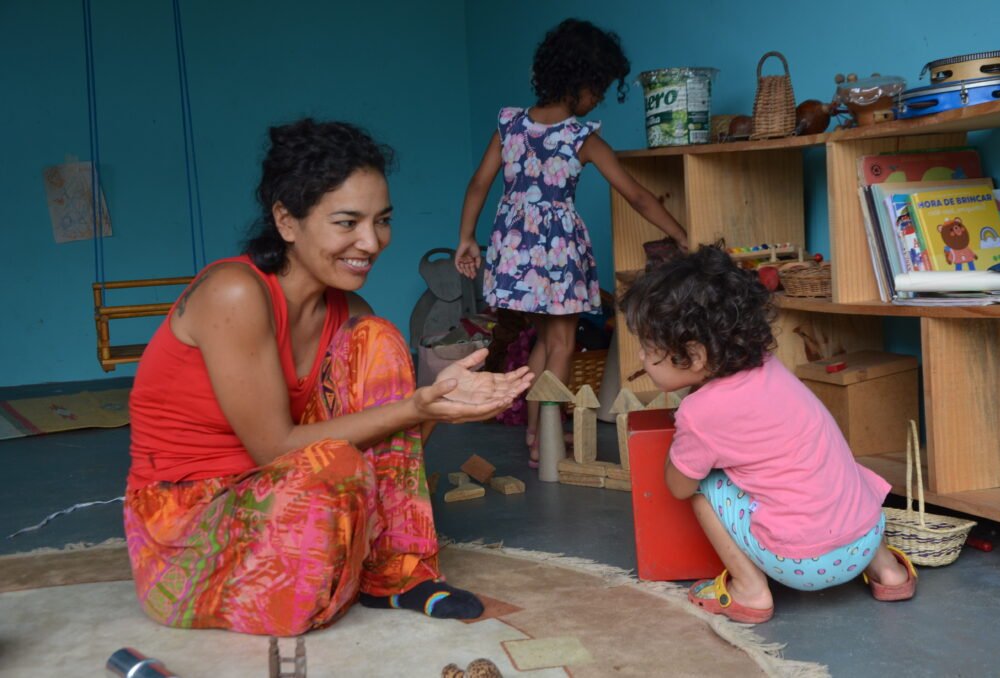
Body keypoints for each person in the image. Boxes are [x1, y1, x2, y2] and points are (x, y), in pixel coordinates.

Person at [125, 119, 533, 636]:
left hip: (283, 494)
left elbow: (389, 452)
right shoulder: (234, 292)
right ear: (286, 221)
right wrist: (415, 406)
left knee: (378, 340)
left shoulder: (349, 312)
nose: (371, 241)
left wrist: (439, 404)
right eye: (347, 222)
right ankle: (336, 573)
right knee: (334, 469)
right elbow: (275, 448)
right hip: (187, 529)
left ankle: (394, 574)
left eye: (382, 221)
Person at [618, 245, 917, 624]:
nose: (642, 358)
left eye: (648, 349)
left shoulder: (700, 414)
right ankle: (889, 572)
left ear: (695, 355)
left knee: (702, 487)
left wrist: (682, 443)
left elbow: (678, 486)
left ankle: (750, 591)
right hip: (866, 535)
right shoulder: (768, 366)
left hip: (803, 565)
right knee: (827, 462)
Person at [454, 18, 688, 467]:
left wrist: (466, 238)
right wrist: (680, 235)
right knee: (562, 344)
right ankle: (544, 441)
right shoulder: (581, 138)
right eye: (598, 88)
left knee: (545, 341)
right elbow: (637, 195)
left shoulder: (510, 125)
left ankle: (534, 434)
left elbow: (479, 184)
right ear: (578, 81)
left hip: (515, 250)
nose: (598, 98)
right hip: (557, 253)